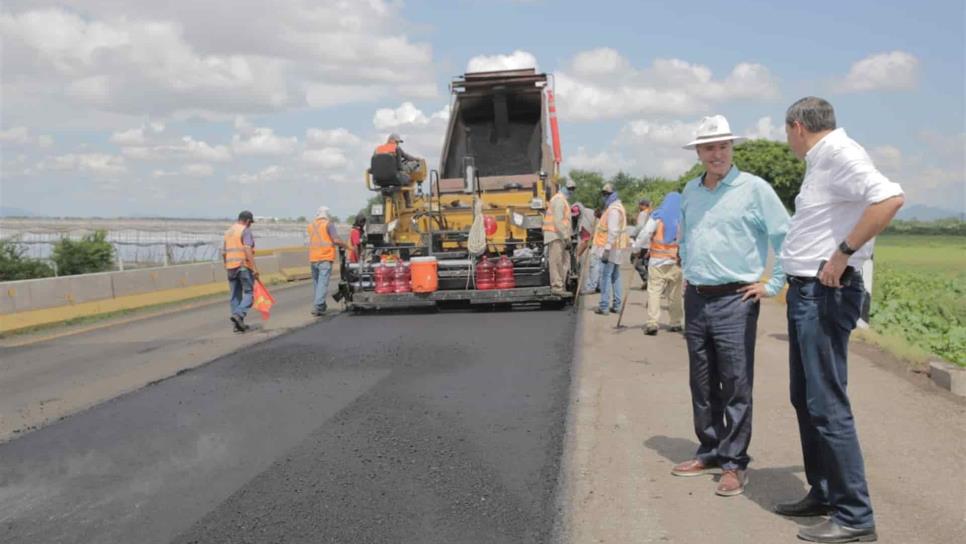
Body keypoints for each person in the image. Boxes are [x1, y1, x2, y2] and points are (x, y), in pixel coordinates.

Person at [777, 97, 903, 544]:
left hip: (824, 293)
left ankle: (855, 516)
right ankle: (826, 492)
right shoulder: (822, 159)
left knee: (827, 404)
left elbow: (889, 198)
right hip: (806, 291)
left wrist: (844, 252)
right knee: (805, 397)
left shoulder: (841, 154)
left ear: (795, 127)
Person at [672, 114, 790, 498]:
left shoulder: (754, 189)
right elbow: (686, 235)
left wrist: (774, 283)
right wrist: (688, 267)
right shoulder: (690, 190)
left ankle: (734, 464)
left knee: (736, 382)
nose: (717, 153)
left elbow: (784, 234)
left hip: (736, 298)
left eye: (723, 146)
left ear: (731, 148)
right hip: (698, 296)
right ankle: (709, 449)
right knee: (702, 381)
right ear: (699, 153)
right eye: (709, 147)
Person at [638, 192, 684, 335]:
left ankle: (652, 322)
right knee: (675, 294)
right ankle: (676, 322)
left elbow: (645, 233)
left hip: (657, 261)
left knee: (654, 291)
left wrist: (637, 247)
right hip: (676, 262)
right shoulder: (683, 218)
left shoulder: (657, 216)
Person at [592, 183, 630, 315]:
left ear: (608, 195)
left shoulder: (614, 210)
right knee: (615, 276)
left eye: (604, 194)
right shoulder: (617, 207)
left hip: (611, 249)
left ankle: (604, 306)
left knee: (605, 276)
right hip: (617, 248)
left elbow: (613, 231)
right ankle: (617, 305)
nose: (603, 197)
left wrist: (607, 249)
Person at [223, 210, 259, 332]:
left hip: (230, 267)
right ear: (248, 221)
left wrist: (226, 264)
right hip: (243, 266)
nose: (250, 225)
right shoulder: (245, 230)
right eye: (251, 223)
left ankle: (237, 326)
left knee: (235, 296)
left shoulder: (229, 231)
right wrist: (254, 268)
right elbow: (247, 249)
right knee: (249, 293)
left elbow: (224, 252)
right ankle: (238, 315)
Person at [307, 206, 345, 316]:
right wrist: (346, 246)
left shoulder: (311, 225)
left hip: (313, 258)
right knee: (322, 284)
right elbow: (336, 240)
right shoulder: (329, 224)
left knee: (317, 284)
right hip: (325, 258)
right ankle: (318, 306)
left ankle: (321, 305)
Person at [544, 179, 575, 295]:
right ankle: (557, 287)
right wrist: (566, 237)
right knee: (556, 262)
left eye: (573, 189)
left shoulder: (563, 201)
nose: (571, 191)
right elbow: (557, 221)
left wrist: (567, 237)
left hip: (561, 236)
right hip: (555, 236)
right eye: (569, 188)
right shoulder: (558, 200)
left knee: (563, 262)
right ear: (563, 187)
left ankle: (561, 286)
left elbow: (565, 221)